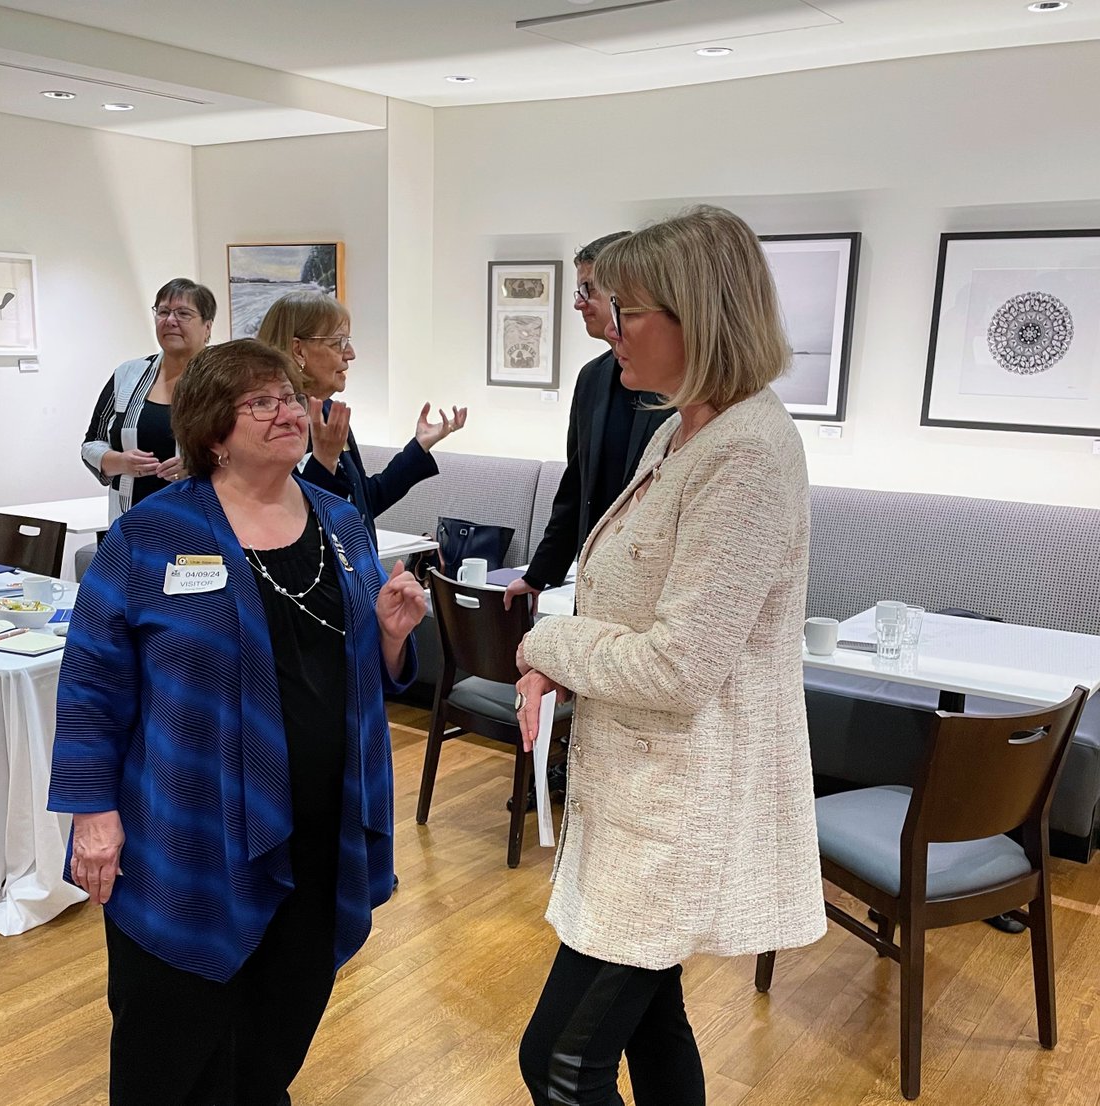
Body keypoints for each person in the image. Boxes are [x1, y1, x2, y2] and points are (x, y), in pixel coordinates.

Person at [49, 338, 426, 1106]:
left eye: (289, 396)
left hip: (320, 831)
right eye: (262, 402)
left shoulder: (343, 523)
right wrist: (93, 812)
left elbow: (346, 674)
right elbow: (91, 680)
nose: (289, 412)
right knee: (170, 1043)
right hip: (192, 835)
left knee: (278, 1031)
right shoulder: (153, 536)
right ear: (213, 432)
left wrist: (388, 638)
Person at [513, 206, 826, 1106]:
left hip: (678, 804)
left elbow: (680, 666)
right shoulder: (682, 427)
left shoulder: (747, 452)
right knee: (651, 1028)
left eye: (629, 308)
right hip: (638, 794)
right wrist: (563, 657)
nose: (608, 325)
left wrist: (547, 643)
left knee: (561, 1063)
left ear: (702, 315)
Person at [504, 233, 670, 614]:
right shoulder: (592, 378)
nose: (578, 302)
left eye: (587, 289)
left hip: (651, 599)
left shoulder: (681, 390)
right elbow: (576, 488)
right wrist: (538, 575)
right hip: (594, 586)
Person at [257, 290, 466, 544]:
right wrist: (324, 461)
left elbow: (362, 504)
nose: (351, 353)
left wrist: (419, 447)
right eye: (339, 343)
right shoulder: (273, 424)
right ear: (298, 350)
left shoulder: (328, 412)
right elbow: (294, 518)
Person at [81, 278, 216, 523]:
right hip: (131, 524)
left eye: (183, 313)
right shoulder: (127, 375)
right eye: (163, 312)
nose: (170, 320)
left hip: (202, 525)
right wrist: (119, 462)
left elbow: (248, 452)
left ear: (207, 327)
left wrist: (200, 466)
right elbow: (92, 443)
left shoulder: (227, 380)